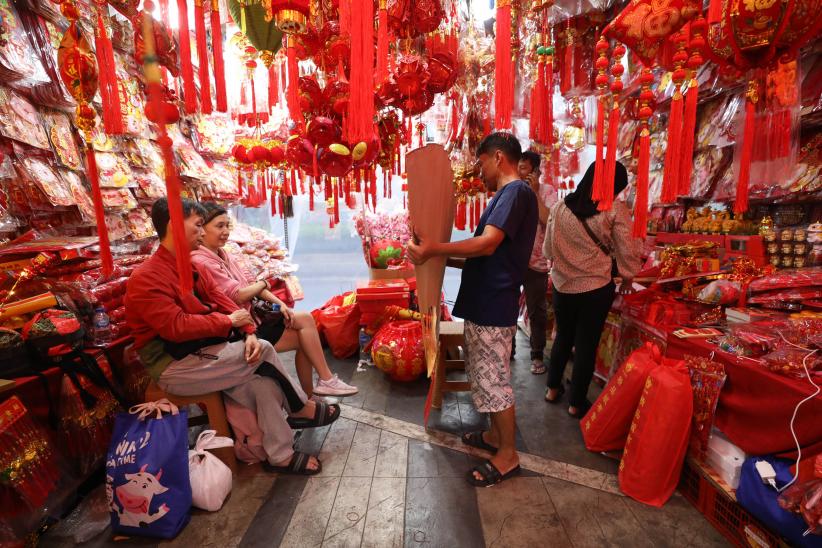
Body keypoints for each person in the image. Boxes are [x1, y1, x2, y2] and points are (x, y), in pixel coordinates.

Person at [126, 198, 339, 475]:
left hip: (202, 352)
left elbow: (221, 299)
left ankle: (281, 455)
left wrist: (247, 331)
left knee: (263, 382)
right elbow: (176, 327)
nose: (203, 233)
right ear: (175, 226)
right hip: (174, 366)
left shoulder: (190, 266)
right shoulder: (147, 277)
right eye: (199, 225)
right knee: (263, 350)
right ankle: (300, 407)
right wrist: (228, 322)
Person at [408, 132, 538, 487]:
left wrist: (436, 247)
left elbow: (487, 244)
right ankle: (496, 438)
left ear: (498, 157)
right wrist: (439, 256)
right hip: (487, 301)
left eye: (481, 162)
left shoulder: (515, 192)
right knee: (484, 378)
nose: (480, 171)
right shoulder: (506, 197)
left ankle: (508, 455)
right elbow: (488, 255)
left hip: (494, 305)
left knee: (493, 382)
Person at [190, 202, 358, 398]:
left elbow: (251, 283)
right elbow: (240, 294)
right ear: (202, 229)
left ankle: (317, 390)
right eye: (219, 226)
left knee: (305, 322)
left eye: (228, 225)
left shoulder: (223, 253)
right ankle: (317, 389)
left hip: (252, 318)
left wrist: (281, 304)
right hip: (237, 330)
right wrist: (264, 284)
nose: (226, 231)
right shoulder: (201, 260)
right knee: (306, 337)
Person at [542, 161, 641, 418]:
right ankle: (576, 403)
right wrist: (628, 276)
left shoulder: (560, 206)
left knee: (563, 336)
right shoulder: (614, 210)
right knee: (586, 344)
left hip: (563, 286)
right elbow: (627, 250)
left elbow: (548, 250)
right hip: (596, 289)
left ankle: (552, 389)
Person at [517, 150, 552, 375]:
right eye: (519, 166)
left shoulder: (548, 191)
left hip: (537, 260)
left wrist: (536, 192)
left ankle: (537, 354)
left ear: (536, 171)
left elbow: (547, 220)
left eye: (525, 168)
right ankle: (507, 349)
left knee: (538, 310)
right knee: (506, 304)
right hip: (513, 258)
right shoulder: (512, 189)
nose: (521, 171)